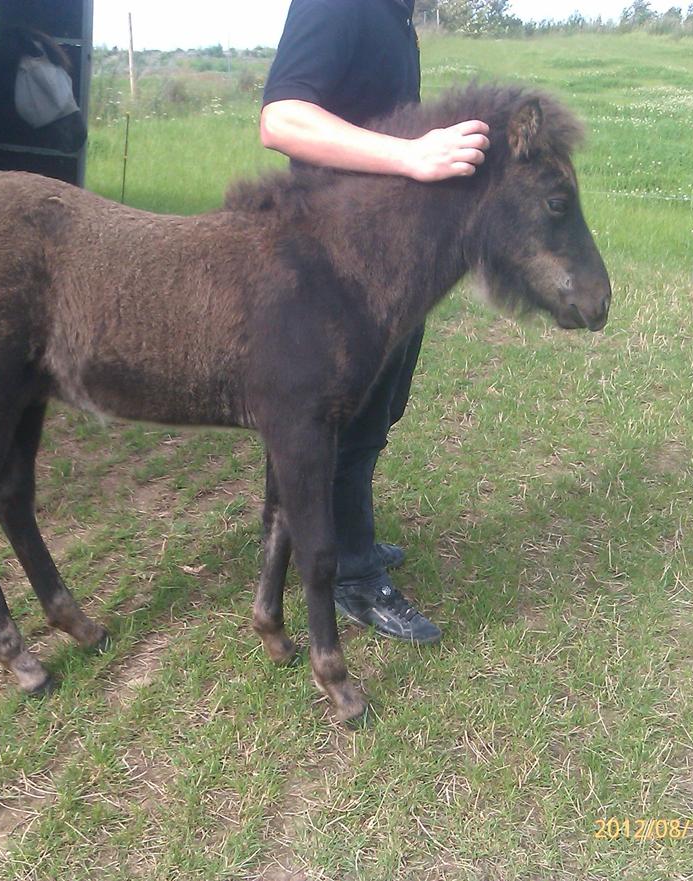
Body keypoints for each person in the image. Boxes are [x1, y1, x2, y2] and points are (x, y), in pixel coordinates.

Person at [261, 0, 490, 643]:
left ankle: (304, 532)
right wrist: (412, 156)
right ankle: (350, 572)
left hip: (383, 260)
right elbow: (281, 119)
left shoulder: (394, 13)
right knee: (346, 423)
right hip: (335, 265)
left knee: (376, 411)